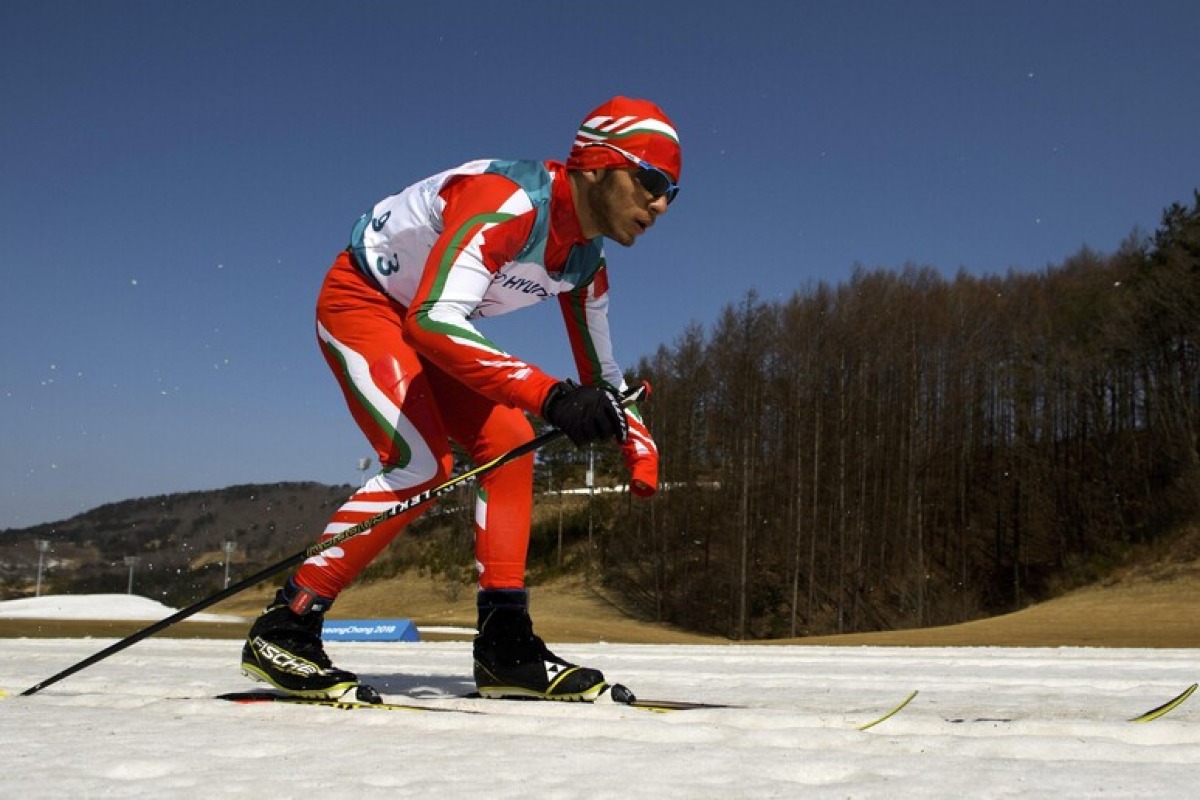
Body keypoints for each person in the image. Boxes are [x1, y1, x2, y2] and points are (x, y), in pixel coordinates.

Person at [240, 96, 680, 702]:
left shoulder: (585, 263)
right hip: (366, 303)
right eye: (651, 180)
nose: (660, 204)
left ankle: (505, 645)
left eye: (671, 192)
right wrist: (550, 396)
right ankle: (285, 627)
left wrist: (637, 442)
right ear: (599, 165)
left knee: (511, 441)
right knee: (422, 462)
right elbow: (433, 321)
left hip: (428, 321)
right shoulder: (507, 202)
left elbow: (604, 373)